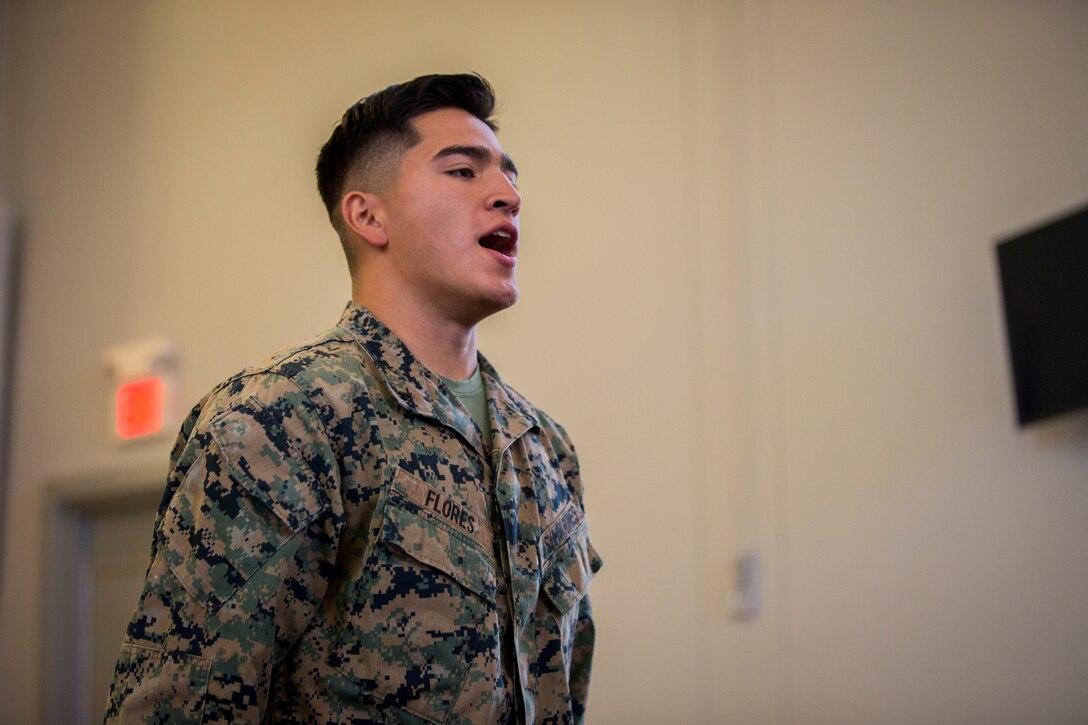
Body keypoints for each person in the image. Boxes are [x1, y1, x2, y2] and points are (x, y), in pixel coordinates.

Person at [104, 73, 601, 724]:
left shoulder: (545, 450)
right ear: (368, 215)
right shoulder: (280, 419)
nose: (507, 196)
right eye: (462, 172)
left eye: (510, 177)